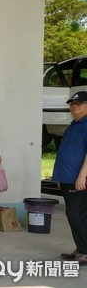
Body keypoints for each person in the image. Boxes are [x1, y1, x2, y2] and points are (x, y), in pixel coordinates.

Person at [54, 91, 87, 265]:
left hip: (79, 179)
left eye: (79, 103)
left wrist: (83, 176)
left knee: (76, 214)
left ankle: (85, 250)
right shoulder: (74, 125)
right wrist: (60, 177)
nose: (74, 106)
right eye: (72, 103)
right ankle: (81, 248)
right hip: (67, 178)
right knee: (74, 214)